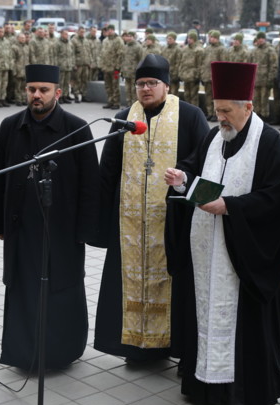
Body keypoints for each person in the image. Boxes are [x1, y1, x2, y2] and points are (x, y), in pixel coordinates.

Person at [164, 61, 280, 405]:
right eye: (217, 110)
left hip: (244, 259)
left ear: (248, 107)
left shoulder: (270, 143)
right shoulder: (214, 137)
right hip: (207, 252)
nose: (220, 117)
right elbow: (194, 166)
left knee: (244, 326)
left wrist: (230, 207)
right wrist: (181, 178)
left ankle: (242, 396)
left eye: (226, 111)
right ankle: (203, 387)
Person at [93, 54, 209, 362]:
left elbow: (203, 160)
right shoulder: (123, 119)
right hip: (129, 224)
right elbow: (107, 172)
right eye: (140, 83)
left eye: (152, 83)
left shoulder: (190, 116)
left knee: (176, 283)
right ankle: (134, 348)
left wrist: (183, 176)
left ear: (167, 86)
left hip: (174, 222)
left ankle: (175, 346)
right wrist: (100, 223)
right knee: (128, 283)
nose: (145, 89)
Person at [0, 64, 100, 370]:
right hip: (21, 227)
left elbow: (91, 184)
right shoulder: (10, 126)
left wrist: (85, 230)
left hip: (62, 228)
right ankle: (23, 354)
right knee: (23, 289)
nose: (36, 95)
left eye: (43, 90)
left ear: (57, 92)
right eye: (32, 90)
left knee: (61, 288)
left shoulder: (77, 128)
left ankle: (62, 353)